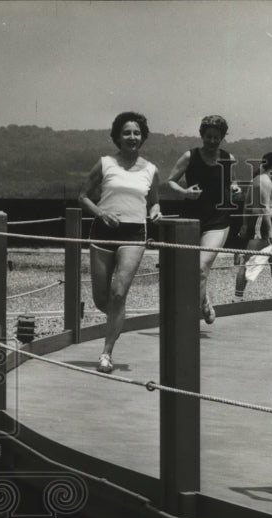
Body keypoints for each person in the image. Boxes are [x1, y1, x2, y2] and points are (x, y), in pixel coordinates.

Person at [78, 111, 161, 373]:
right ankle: (117, 316)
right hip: (102, 233)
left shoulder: (150, 169)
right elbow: (83, 196)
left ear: (143, 137)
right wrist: (101, 212)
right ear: (117, 136)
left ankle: (106, 353)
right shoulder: (104, 164)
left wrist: (156, 210)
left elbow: (154, 200)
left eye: (136, 133)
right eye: (127, 132)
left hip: (134, 234)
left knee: (118, 293)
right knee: (102, 300)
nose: (132, 137)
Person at [166, 115, 241, 324]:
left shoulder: (228, 158)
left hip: (217, 221)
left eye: (217, 137)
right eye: (208, 137)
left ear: (222, 137)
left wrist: (235, 190)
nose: (212, 141)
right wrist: (185, 191)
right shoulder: (189, 156)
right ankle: (204, 301)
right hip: (190, 219)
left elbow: (232, 183)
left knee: (200, 267)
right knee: (189, 269)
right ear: (202, 135)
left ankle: (189, 321)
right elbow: (170, 181)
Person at [234, 151, 272, 300]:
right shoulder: (265, 181)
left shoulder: (256, 180)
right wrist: (270, 230)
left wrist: (245, 225)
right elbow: (264, 208)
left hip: (259, 223)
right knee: (247, 264)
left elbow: (246, 205)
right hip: (261, 224)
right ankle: (237, 299)